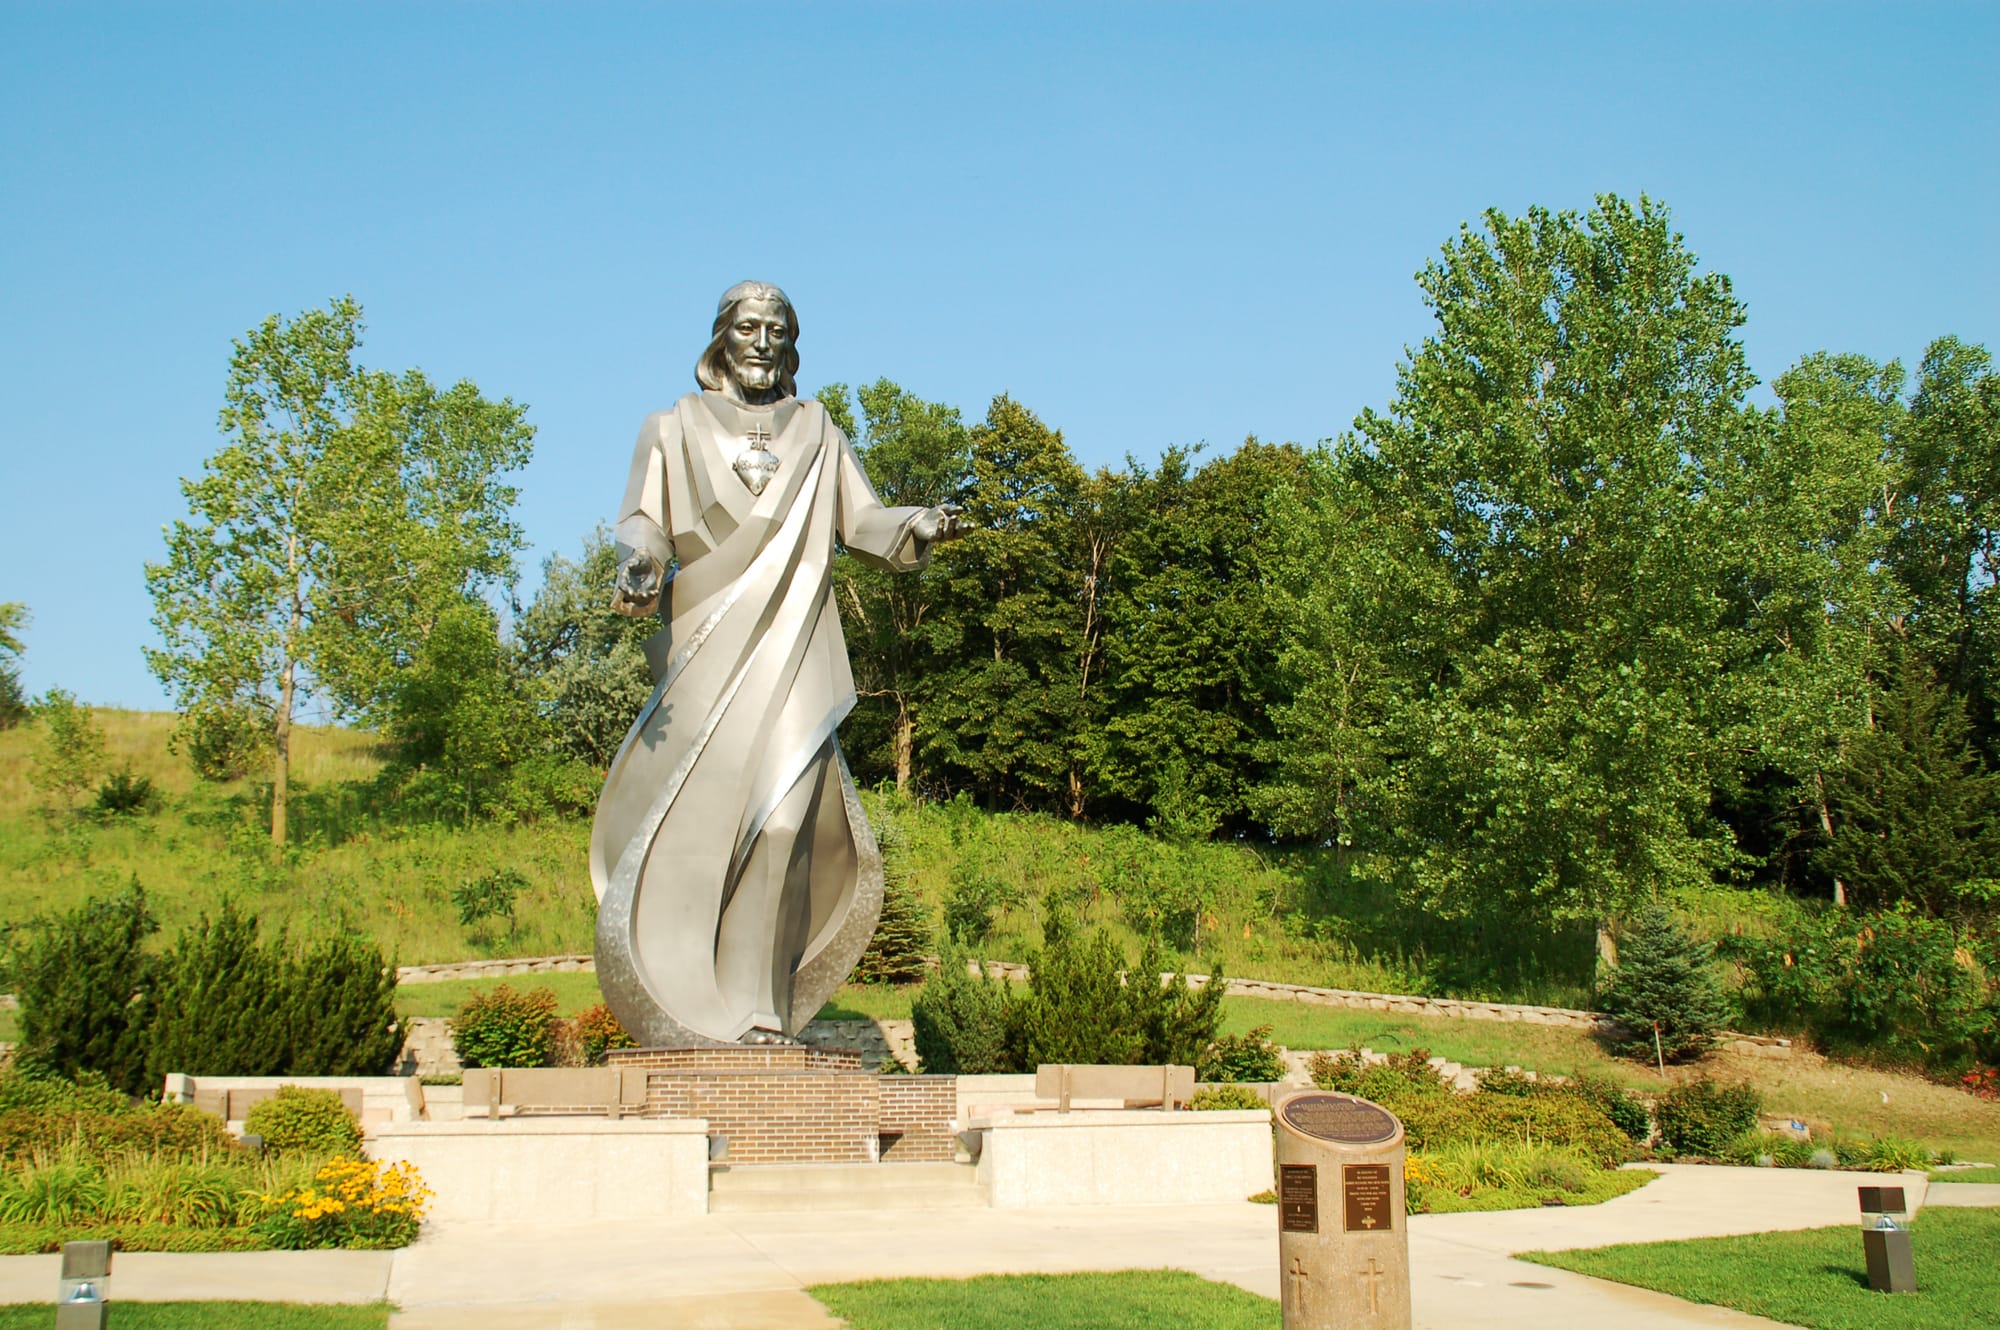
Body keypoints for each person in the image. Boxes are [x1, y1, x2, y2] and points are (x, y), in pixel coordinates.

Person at [589, 281, 961, 1046]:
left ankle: (759, 1008)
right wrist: (638, 562)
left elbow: (862, 520)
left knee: (788, 819)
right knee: (696, 826)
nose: (763, 341)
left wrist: (916, 524)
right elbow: (644, 520)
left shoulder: (818, 432)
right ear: (721, 338)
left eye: (778, 330)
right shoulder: (672, 427)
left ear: (791, 344)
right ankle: (686, 986)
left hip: (794, 644)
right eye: (748, 327)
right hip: (706, 645)